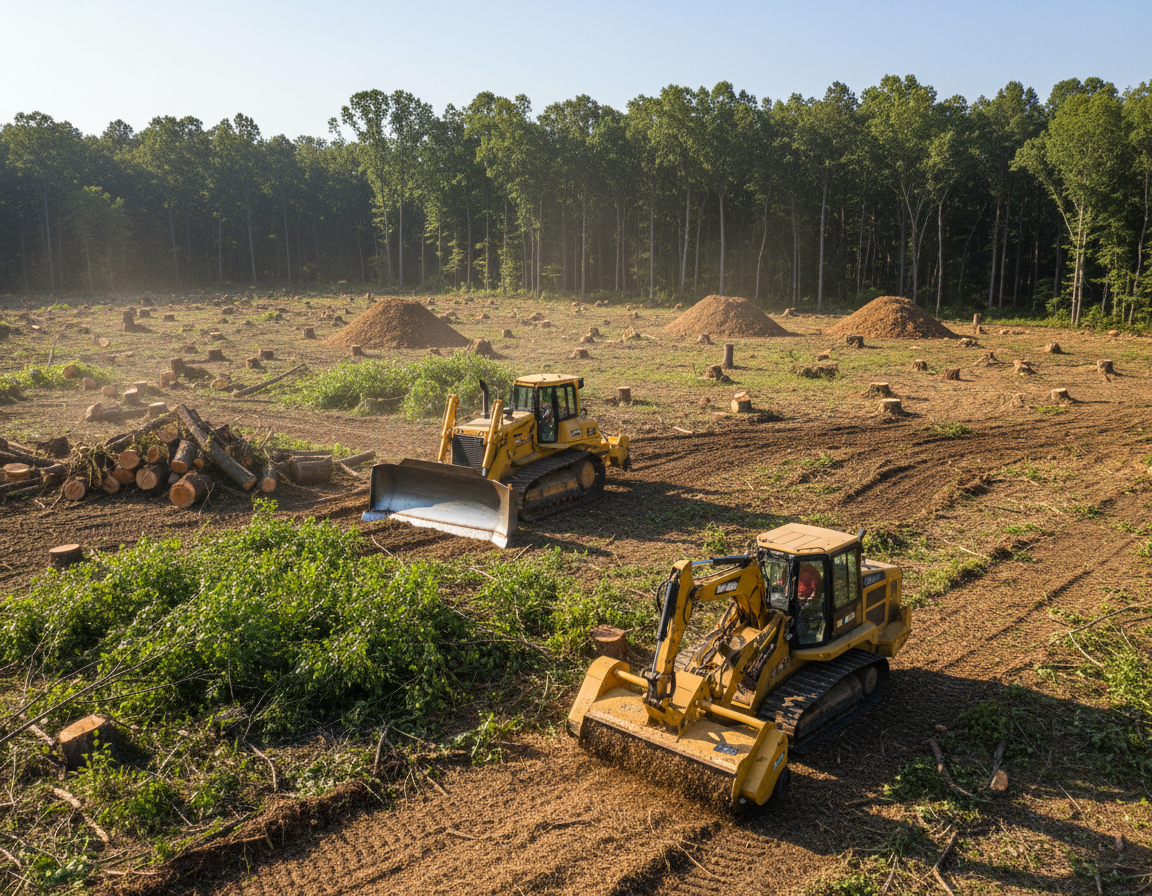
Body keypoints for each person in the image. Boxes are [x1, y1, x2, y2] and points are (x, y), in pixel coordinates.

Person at [796, 561, 825, 643]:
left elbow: (816, 591)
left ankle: (802, 635)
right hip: (795, 598)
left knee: (800, 616)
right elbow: (784, 582)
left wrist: (809, 599)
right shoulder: (793, 567)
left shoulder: (811, 572)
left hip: (807, 599)